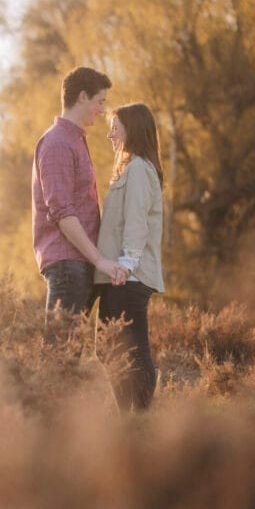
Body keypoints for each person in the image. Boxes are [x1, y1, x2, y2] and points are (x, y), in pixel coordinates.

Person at [32, 66, 125, 338]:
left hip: (78, 264)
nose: (102, 109)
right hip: (67, 266)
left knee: (69, 363)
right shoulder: (58, 144)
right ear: (82, 97)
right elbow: (62, 212)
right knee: (59, 362)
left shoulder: (74, 141)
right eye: (100, 102)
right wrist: (100, 260)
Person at [94, 102, 165, 411]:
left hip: (130, 275)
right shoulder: (130, 168)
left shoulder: (137, 169)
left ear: (131, 131)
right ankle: (129, 415)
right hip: (120, 274)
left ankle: (139, 417)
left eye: (115, 128)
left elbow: (136, 220)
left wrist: (126, 265)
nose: (110, 134)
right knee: (108, 347)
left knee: (132, 349)